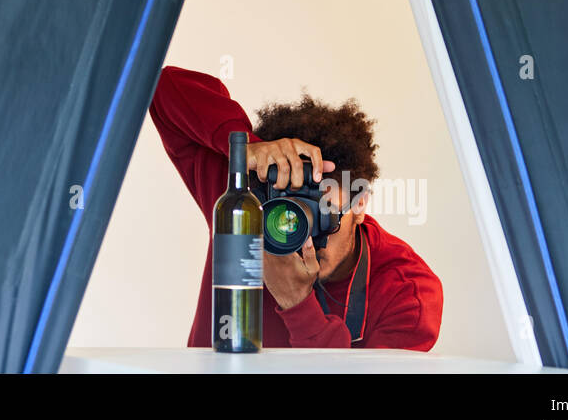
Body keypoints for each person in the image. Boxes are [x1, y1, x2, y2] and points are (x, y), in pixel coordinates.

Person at [150, 65, 443, 349]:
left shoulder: (407, 292)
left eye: (321, 212)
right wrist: (244, 147)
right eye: (286, 209)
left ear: (360, 202)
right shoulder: (243, 206)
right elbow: (160, 86)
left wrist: (298, 306)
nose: (302, 237)